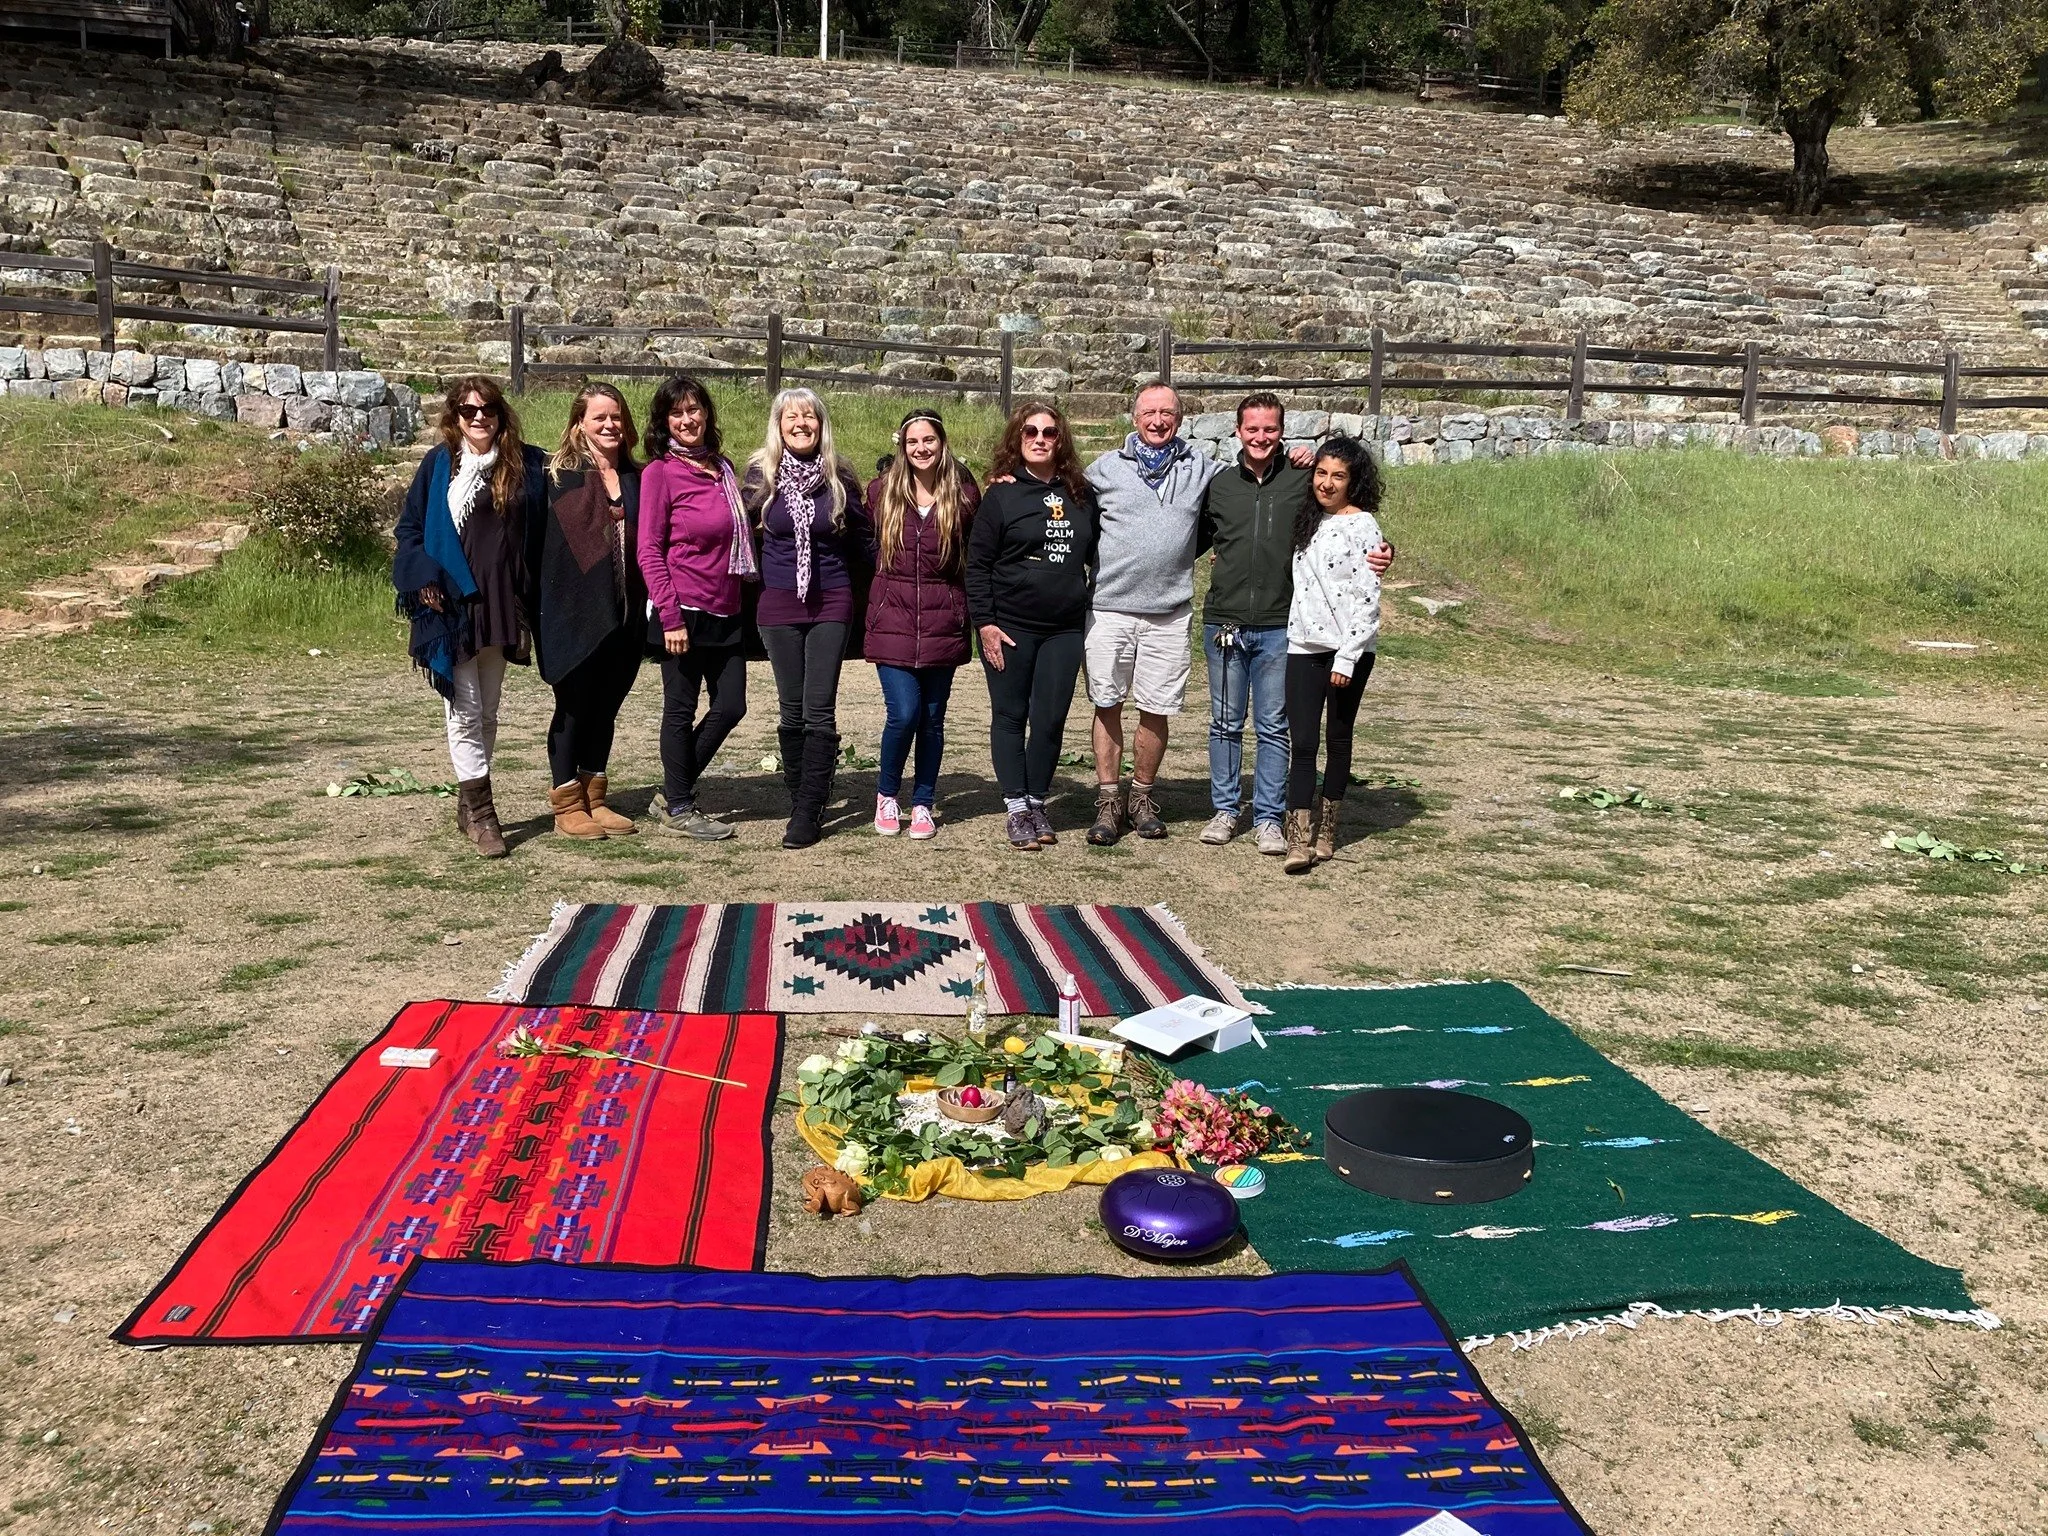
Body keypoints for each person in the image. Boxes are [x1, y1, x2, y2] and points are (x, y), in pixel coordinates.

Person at [1200, 393, 1395, 855]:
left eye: (1270, 429)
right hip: (1225, 620)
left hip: (1279, 627)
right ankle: (1226, 810)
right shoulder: (1220, 485)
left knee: (1273, 726)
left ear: (1282, 432)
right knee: (1225, 722)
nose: (1261, 437)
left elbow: (1351, 523)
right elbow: (1190, 538)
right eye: (1252, 429)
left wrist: (1386, 552)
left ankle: (1269, 818)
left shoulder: (1305, 480)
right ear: (1237, 431)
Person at [393, 375, 546, 859]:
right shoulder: (439, 465)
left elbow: (572, 479)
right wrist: (424, 579)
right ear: (454, 418)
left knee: (488, 711)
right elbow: (411, 529)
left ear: (501, 415)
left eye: (488, 409)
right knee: (465, 709)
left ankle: (467, 801)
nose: (478, 417)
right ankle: (483, 814)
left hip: (500, 602)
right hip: (452, 604)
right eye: (467, 410)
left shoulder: (526, 465)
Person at [966, 402, 1099, 851]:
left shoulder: (1082, 495)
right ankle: (1016, 807)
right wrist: (984, 623)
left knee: (1050, 718)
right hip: (1010, 627)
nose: (1040, 438)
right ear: (1017, 439)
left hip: (1064, 630)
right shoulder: (1001, 496)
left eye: (1049, 432)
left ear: (1061, 440)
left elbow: (1098, 552)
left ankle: (1038, 800)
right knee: (1010, 716)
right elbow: (977, 565)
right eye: (1030, 432)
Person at [744, 387, 870, 849]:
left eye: (809, 417)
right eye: (791, 417)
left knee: (819, 706)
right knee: (790, 707)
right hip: (777, 602)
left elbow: (865, 539)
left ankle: (808, 811)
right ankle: (802, 796)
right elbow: (739, 535)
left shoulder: (840, 477)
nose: (801, 424)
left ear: (821, 423)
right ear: (778, 425)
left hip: (830, 602)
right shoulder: (760, 475)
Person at [639, 373, 755, 840]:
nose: (688, 419)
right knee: (679, 710)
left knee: (731, 706)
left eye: (694, 409)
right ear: (665, 421)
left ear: (706, 413)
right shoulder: (660, 473)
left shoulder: (723, 468)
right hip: (681, 608)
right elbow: (649, 548)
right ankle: (681, 805)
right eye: (677, 413)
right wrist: (670, 617)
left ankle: (672, 790)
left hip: (725, 607)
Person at [534, 383, 646, 841]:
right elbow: (545, 551)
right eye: (599, 417)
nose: (609, 425)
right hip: (573, 610)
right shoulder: (559, 477)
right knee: (575, 706)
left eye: (616, 416)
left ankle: (594, 796)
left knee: (606, 707)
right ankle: (566, 802)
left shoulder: (639, 478)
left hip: (627, 612)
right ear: (580, 423)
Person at [863, 408, 981, 840]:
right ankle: (887, 794)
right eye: (913, 441)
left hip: (943, 621)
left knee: (932, 719)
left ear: (942, 443)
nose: (921, 448)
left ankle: (924, 802)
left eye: (928, 440)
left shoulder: (965, 497)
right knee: (904, 713)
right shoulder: (881, 492)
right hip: (891, 620)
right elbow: (858, 544)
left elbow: (982, 550)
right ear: (902, 445)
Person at [1282, 436, 1385, 874]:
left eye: (1337, 476)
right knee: (1302, 744)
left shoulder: (1363, 527)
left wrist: (1347, 658)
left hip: (1348, 652)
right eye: (1321, 473)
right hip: (1303, 646)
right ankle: (1297, 840)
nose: (1327, 483)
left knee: (1338, 740)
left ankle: (1327, 833)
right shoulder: (1307, 520)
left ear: (1353, 481)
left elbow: (1368, 599)